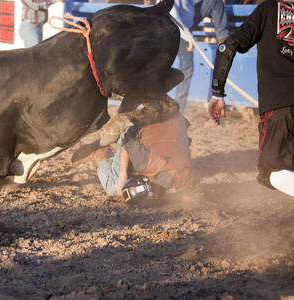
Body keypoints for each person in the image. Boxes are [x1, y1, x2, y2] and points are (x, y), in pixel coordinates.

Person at [209, 0, 294, 197]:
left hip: (279, 105)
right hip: (281, 105)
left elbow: (227, 46)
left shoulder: (269, 8)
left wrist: (217, 92)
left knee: (271, 173)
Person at [72, 112, 196, 206]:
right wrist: (122, 176)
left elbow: (193, 194)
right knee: (113, 188)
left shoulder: (181, 176)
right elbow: (127, 146)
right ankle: (100, 151)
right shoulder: (144, 163)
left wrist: (183, 199)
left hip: (169, 116)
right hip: (133, 130)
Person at [171, 0, 230, 112]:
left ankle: (223, 38)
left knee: (214, 1)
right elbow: (173, 17)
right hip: (176, 29)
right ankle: (178, 110)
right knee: (186, 69)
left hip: (187, 20)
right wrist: (189, 37)